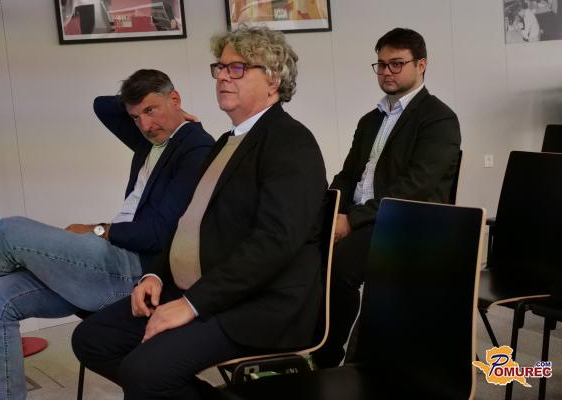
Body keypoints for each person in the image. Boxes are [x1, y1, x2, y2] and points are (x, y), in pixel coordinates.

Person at [72, 24, 327, 400]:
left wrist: (192, 305)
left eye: (237, 68)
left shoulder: (291, 142)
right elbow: (187, 223)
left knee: (144, 371)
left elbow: (274, 244)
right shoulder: (226, 142)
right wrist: (156, 275)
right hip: (204, 290)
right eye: (220, 67)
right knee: (92, 339)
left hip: (259, 306)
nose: (223, 76)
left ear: (273, 80)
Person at [0, 69, 214, 400]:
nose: (145, 124)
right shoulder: (151, 137)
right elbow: (102, 105)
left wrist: (100, 230)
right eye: (136, 116)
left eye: (151, 110)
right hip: (105, 260)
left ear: (175, 98)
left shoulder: (195, 147)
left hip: (135, 269)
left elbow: (159, 233)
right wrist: (163, 110)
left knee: (9, 231)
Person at [312, 27, 461, 368]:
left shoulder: (439, 118)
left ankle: (327, 359)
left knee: (339, 265)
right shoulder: (370, 120)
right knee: (302, 250)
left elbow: (416, 187)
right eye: (381, 64)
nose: (386, 72)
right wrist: (327, 211)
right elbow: (347, 176)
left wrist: (351, 221)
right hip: (363, 217)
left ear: (421, 65)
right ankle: (301, 344)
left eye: (396, 64)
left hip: (407, 224)